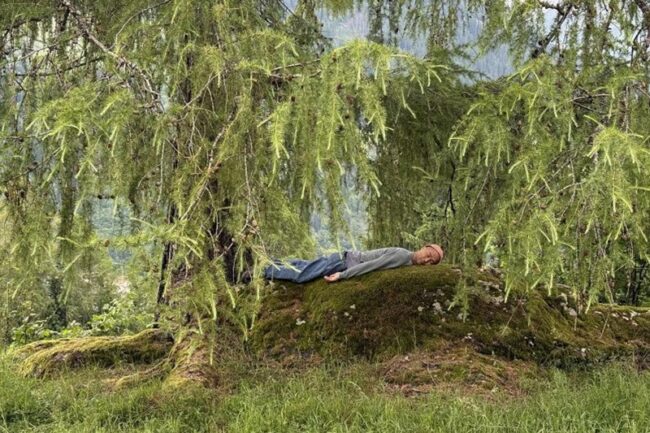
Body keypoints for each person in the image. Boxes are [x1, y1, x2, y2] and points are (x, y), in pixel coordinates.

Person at [263, 244, 444, 284]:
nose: (426, 260)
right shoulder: (403, 256)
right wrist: (342, 275)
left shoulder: (407, 262)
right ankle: (262, 271)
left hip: (344, 258)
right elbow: (372, 266)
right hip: (343, 262)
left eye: (431, 261)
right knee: (302, 275)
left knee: (302, 264)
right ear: (423, 247)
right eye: (428, 254)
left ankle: (265, 262)